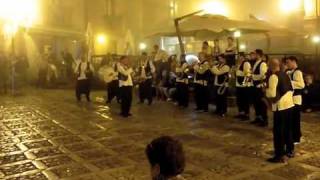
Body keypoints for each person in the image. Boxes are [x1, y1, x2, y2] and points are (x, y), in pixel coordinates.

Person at [266, 58, 295, 163]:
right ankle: (290, 150)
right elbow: (291, 88)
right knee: (288, 129)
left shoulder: (273, 76)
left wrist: (266, 90)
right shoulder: (284, 74)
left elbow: (272, 94)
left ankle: (279, 155)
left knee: (278, 132)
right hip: (289, 105)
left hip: (280, 107)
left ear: (270, 66)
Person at [286, 56, 305, 144]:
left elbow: (301, 85)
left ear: (294, 62)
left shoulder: (298, 72)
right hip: (291, 98)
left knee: (295, 119)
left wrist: (289, 82)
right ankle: (296, 135)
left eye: (288, 62)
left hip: (296, 99)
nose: (287, 64)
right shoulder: (291, 72)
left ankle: (297, 138)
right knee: (292, 119)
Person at [251, 49, 268, 127]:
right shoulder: (255, 63)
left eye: (254, 54)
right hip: (255, 85)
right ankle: (258, 117)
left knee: (261, 103)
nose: (253, 55)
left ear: (258, 55)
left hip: (260, 85)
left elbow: (263, 75)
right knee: (256, 102)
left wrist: (253, 76)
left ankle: (264, 120)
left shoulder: (262, 64)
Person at [235, 52, 252, 120]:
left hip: (244, 85)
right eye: (238, 57)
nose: (238, 58)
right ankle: (241, 113)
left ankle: (246, 114)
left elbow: (248, 74)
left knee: (245, 100)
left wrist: (245, 84)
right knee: (240, 100)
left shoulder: (246, 63)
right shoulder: (239, 64)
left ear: (242, 57)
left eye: (239, 56)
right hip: (239, 84)